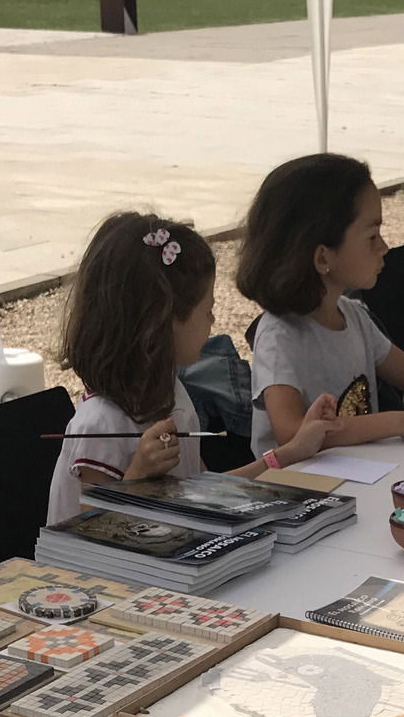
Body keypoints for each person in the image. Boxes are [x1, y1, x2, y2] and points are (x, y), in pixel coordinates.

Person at [46, 212, 341, 526]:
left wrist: (293, 451)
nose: (213, 322)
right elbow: (88, 533)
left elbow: (201, 490)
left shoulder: (170, 391)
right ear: (163, 322)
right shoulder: (100, 425)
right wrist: (137, 475)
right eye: (208, 310)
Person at [238, 153, 404, 457]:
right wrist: (401, 422)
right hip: (298, 490)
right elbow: (292, 432)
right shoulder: (279, 336)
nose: (385, 247)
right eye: (372, 236)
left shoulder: (353, 316)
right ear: (323, 257)